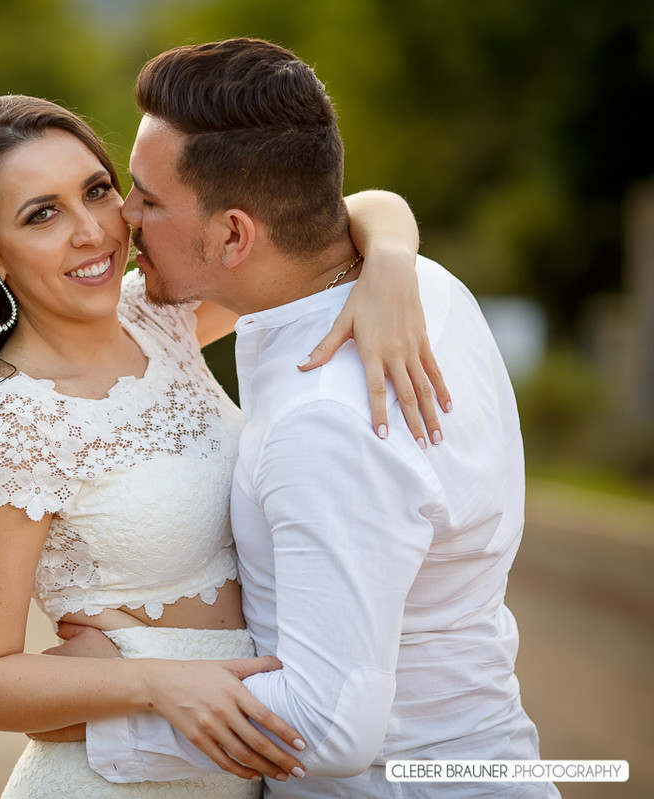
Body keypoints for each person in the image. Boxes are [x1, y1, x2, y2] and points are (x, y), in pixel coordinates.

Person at [0, 93, 444, 798]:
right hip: (111, 781)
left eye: (96, 190)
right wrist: (152, 679)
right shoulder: (18, 424)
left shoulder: (158, 316)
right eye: (42, 214)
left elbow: (351, 207)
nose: (91, 230)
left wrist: (391, 258)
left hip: (226, 773)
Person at [76, 38, 558, 798]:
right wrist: (393, 249)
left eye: (148, 198)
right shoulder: (422, 285)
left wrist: (98, 707)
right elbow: (370, 208)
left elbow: (326, 724)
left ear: (235, 234)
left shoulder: (326, 420)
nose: (123, 218)